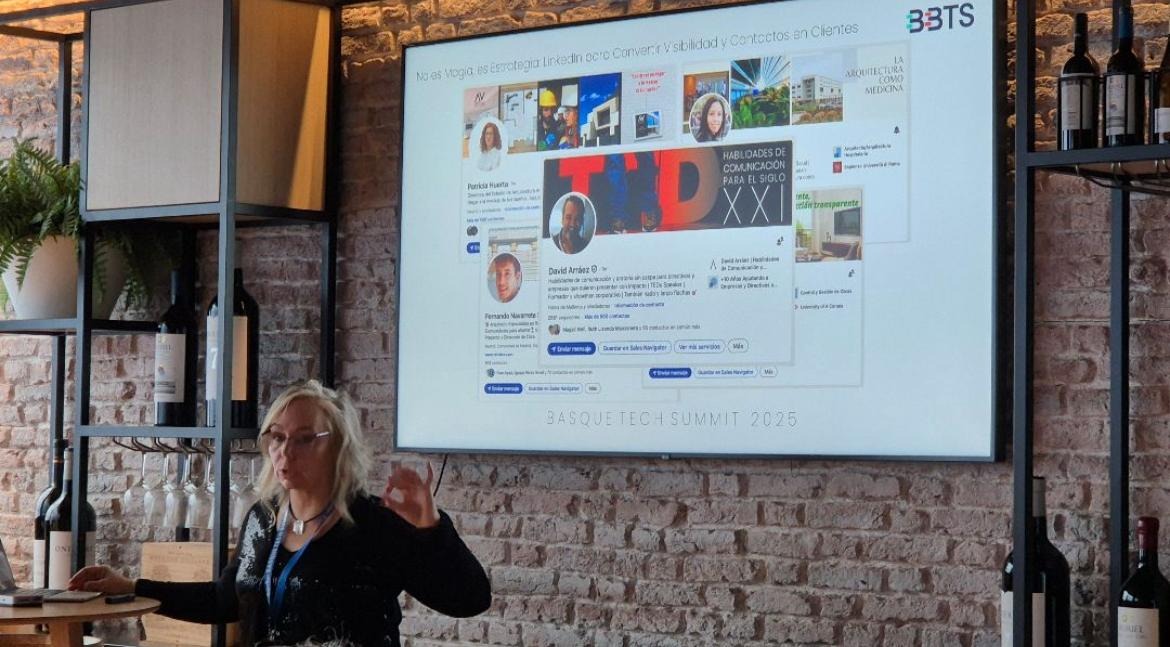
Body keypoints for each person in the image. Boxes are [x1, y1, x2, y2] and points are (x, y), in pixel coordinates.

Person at [68, 380, 491, 647]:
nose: (286, 451)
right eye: (277, 437)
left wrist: (432, 530)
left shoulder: (374, 524)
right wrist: (131, 587)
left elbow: (470, 599)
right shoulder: (264, 519)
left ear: (339, 447)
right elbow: (226, 599)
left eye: (305, 439)